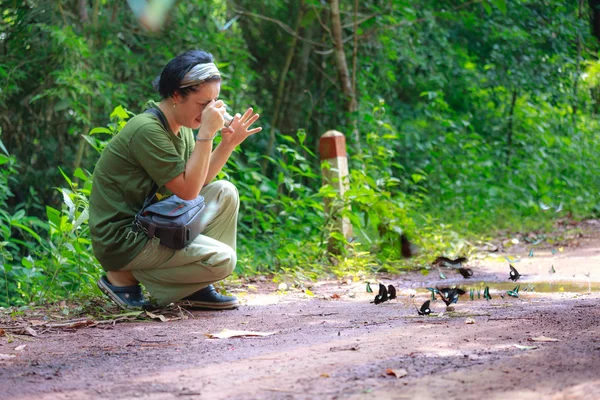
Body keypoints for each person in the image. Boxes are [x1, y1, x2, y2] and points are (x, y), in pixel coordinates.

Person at [89, 49, 261, 309]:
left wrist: (227, 144)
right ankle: (123, 276)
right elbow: (188, 192)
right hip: (125, 239)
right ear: (177, 95)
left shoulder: (182, 128)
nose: (210, 111)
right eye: (204, 104)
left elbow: (197, 182)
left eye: (214, 103)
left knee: (225, 191)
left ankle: (194, 285)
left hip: (153, 223)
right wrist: (207, 133)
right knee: (224, 260)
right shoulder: (147, 130)